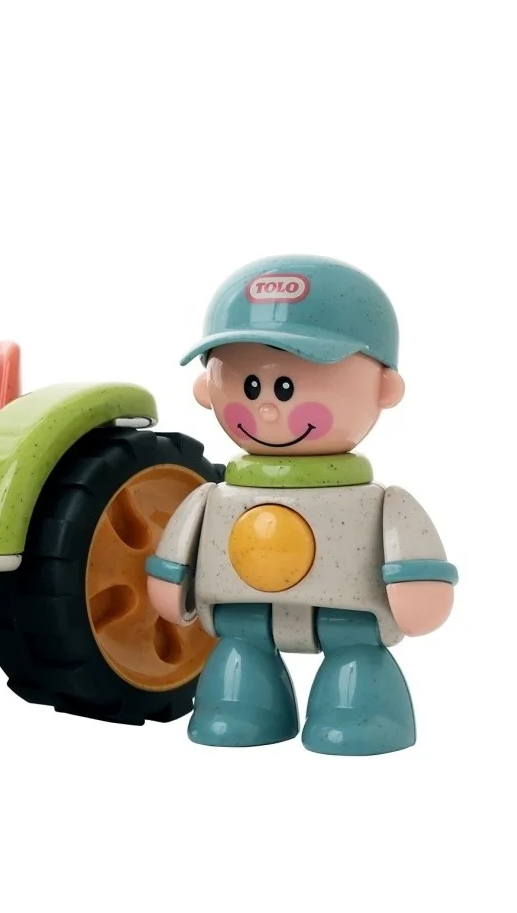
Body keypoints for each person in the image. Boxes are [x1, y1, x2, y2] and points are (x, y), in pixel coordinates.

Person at [145, 256, 456, 755]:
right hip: (243, 621)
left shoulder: (379, 503)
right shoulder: (214, 495)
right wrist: (171, 580)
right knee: (239, 661)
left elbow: (412, 553)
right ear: (207, 389)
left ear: (384, 387)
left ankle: (361, 713)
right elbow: (178, 552)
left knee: (356, 660)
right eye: (249, 385)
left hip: (351, 625)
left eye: (286, 387)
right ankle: (240, 708)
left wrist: (418, 585)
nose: (267, 406)